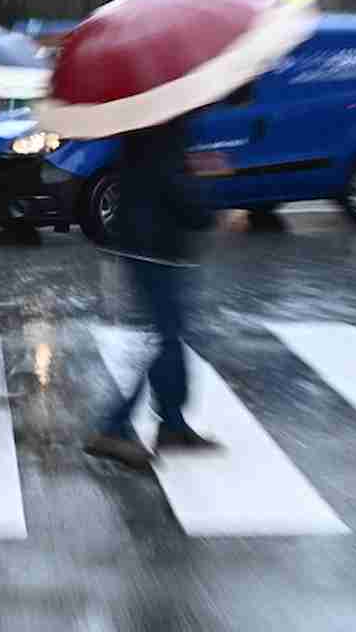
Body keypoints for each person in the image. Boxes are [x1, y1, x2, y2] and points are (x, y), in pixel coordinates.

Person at [84, 116, 220, 470]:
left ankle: (172, 423)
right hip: (152, 246)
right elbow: (172, 184)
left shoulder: (153, 116)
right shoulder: (164, 122)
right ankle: (112, 428)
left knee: (169, 337)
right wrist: (206, 211)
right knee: (161, 339)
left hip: (151, 242)